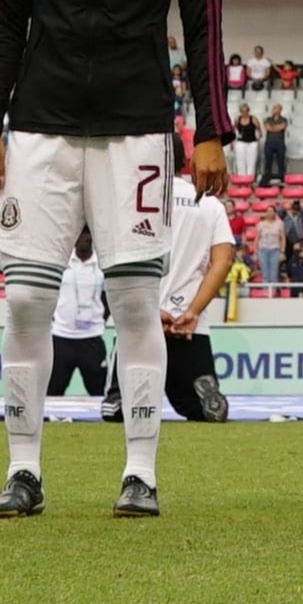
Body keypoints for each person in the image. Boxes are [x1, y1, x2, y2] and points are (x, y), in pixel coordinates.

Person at [0, 0, 230, 521]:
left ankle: (141, 472)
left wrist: (210, 129)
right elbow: (3, 22)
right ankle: (24, 470)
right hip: (41, 129)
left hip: (138, 131)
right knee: (25, 299)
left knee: (136, 301)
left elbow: (206, 25)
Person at [102, 154, 234, 422]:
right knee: (207, 412)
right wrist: (193, 312)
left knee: (117, 410)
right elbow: (223, 262)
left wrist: (150, 311)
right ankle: (202, 391)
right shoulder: (209, 204)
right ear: (184, 162)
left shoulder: (133, 202)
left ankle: (121, 397)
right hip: (188, 325)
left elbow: (115, 259)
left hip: (142, 318)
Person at [48, 232, 107, 397]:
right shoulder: (61, 262)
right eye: (80, 235)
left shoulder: (102, 264)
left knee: (100, 393)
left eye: (88, 235)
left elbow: (108, 298)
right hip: (61, 337)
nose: (84, 239)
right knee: (52, 392)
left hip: (92, 338)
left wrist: (99, 318)